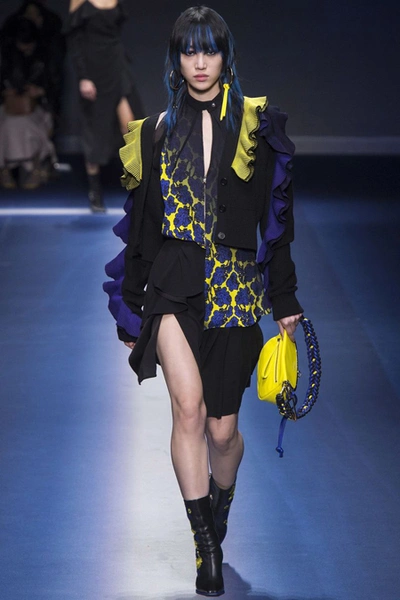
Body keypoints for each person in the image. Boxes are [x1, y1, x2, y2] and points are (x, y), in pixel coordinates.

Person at [103, 6, 303, 597]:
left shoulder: (257, 128)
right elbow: (143, 228)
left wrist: (284, 297)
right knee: (187, 410)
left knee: (222, 432)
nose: (199, 62)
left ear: (225, 57)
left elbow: (276, 224)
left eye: (209, 50)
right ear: (176, 60)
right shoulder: (155, 132)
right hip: (174, 283)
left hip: (235, 289)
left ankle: (220, 507)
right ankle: (205, 545)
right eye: (188, 51)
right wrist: (132, 304)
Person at [66, 0, 144, 213]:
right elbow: (74, 40)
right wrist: (83, 76)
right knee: (95, 130)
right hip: (93, 69)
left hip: (116, 63)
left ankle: (138, 187)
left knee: (131, 127)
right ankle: (95, 191)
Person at [0, 16, 57, 189]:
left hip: (38, 106)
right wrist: (6, 91)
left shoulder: (45, 56)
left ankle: (35, 167)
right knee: (5, 125)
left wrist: (41, 91)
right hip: (8, 105)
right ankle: (4, 169)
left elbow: (55, 84)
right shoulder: (6, 56)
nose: (25, 48)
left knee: (29, 125)